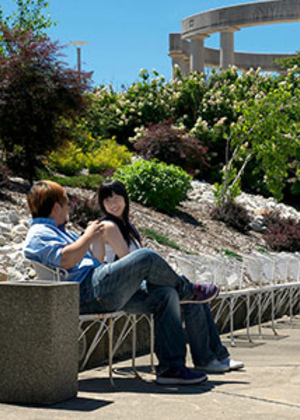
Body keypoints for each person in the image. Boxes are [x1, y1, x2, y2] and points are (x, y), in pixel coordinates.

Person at [22, 180, 232, 386]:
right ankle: (188, 290)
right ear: (57, 206)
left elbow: (94, 261)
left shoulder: (63, 231)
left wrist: (93, 239)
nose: (68, 209)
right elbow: (66, 260)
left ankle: (171, 368)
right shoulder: (39, 234)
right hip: (83, 292)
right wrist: (86, 236)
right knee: (146, 257)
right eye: (67, 204)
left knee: (167, 295)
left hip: (98, 286)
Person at [93, 179, 244, 374]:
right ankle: (206, 359)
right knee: (190, 295)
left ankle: (218, 356)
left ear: (125, 198)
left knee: (195, 298)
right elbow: (130, 262)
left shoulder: (128, 227)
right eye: (107, 200)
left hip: (137, 287)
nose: (113, 203)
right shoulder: (107, 226)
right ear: (102, 204)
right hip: (123, 294)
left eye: (117, 197)